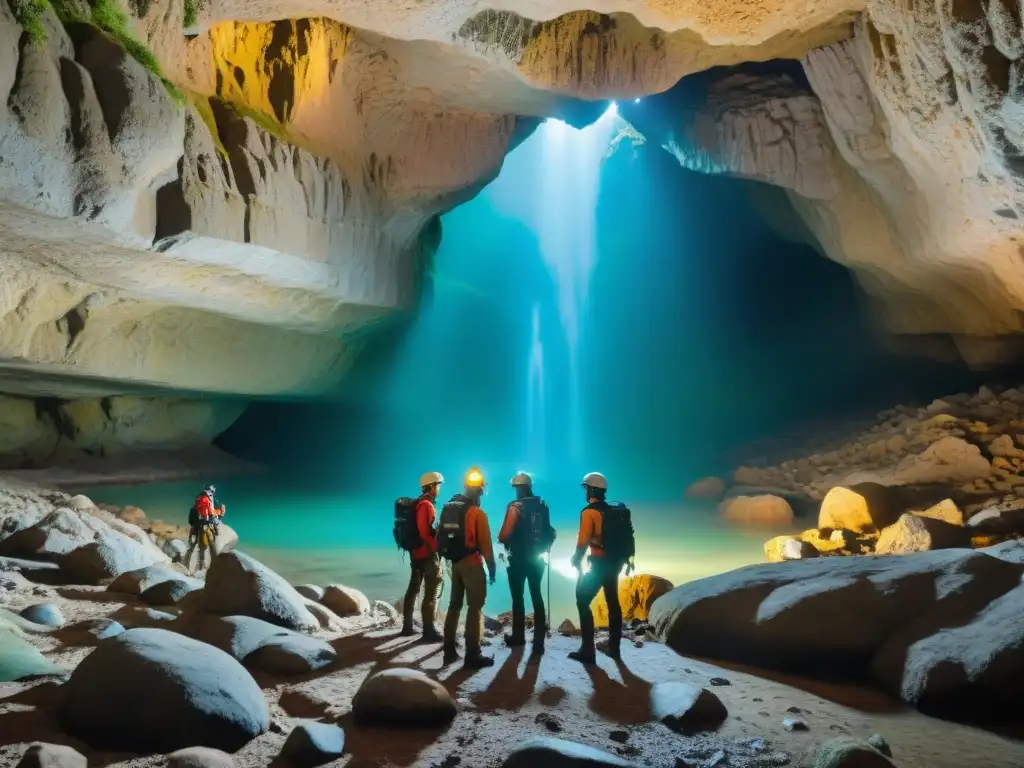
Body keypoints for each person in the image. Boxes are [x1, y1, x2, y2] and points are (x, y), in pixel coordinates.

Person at [569, 472, 635, 664]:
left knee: (582, 600)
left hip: (599, 563)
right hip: (615, 563)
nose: (585, 491)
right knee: (613, 602)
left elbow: (583, 542)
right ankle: (614, 648)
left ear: (591, 489)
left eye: (585, 488)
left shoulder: (589, 512)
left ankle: (587, 650)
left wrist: (576, 558)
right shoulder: (613, 511)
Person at [438, 467, 497, 669]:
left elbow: (440, 534)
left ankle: (449, 649)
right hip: (472, 564)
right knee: (474, 608)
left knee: (454, 605)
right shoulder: (477, 513)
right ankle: (473, 654)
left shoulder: (449, 508)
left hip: (454, 563)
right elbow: (487, 547)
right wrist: (492, 569)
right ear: (480, 491)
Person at [497, 471, 554, 657]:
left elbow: (504, 535)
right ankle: (539, 643)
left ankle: (518, 637)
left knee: (518, 598)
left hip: (518, 559)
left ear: (517, 488)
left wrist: (505, 541)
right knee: (537, 597)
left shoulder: (516, 507)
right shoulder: (543, 505)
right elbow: (550, 531)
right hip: (537, 559)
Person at [400, 471, 444, 641]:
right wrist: (436, 548)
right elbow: (425, 532)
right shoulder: (426, 505)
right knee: (431, 592)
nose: (439, 488)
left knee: (413, 588)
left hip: (415, 553)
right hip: (426, 554)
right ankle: (428, 630)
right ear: (432, 486)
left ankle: (407, 626)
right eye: (438, 485)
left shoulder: (416, 503)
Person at [184, 484, 225, 574]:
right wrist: (221, 513)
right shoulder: (206, 500)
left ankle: (187, 564)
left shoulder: (199, 498)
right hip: (205, 527)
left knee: (193, 547)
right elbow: (211, 514)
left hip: (196, 526)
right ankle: (203, 568)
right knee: (209, 546)